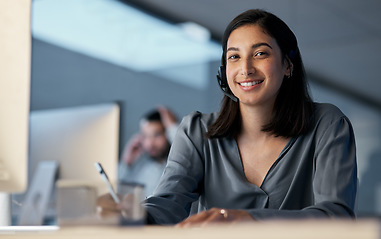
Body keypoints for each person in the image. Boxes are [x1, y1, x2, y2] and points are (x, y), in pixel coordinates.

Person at [98, 9, 357, 227]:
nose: (245, 69)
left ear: (288, 64)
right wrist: (132, 214)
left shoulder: (327, 123)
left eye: (260, 53)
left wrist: (247, 220)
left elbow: (336, 215)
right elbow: (168, 202)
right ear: (225, 71)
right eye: (234, 56)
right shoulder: (196, 131)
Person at [118, 106, 178, 196]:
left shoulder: (179, 166)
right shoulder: (142, 168)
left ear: (169, 134)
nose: (150, 144)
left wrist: (174, 128)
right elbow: (115, 191)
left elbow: (188, 151)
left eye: (157, 135)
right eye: (145, 136)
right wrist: (126, 162)